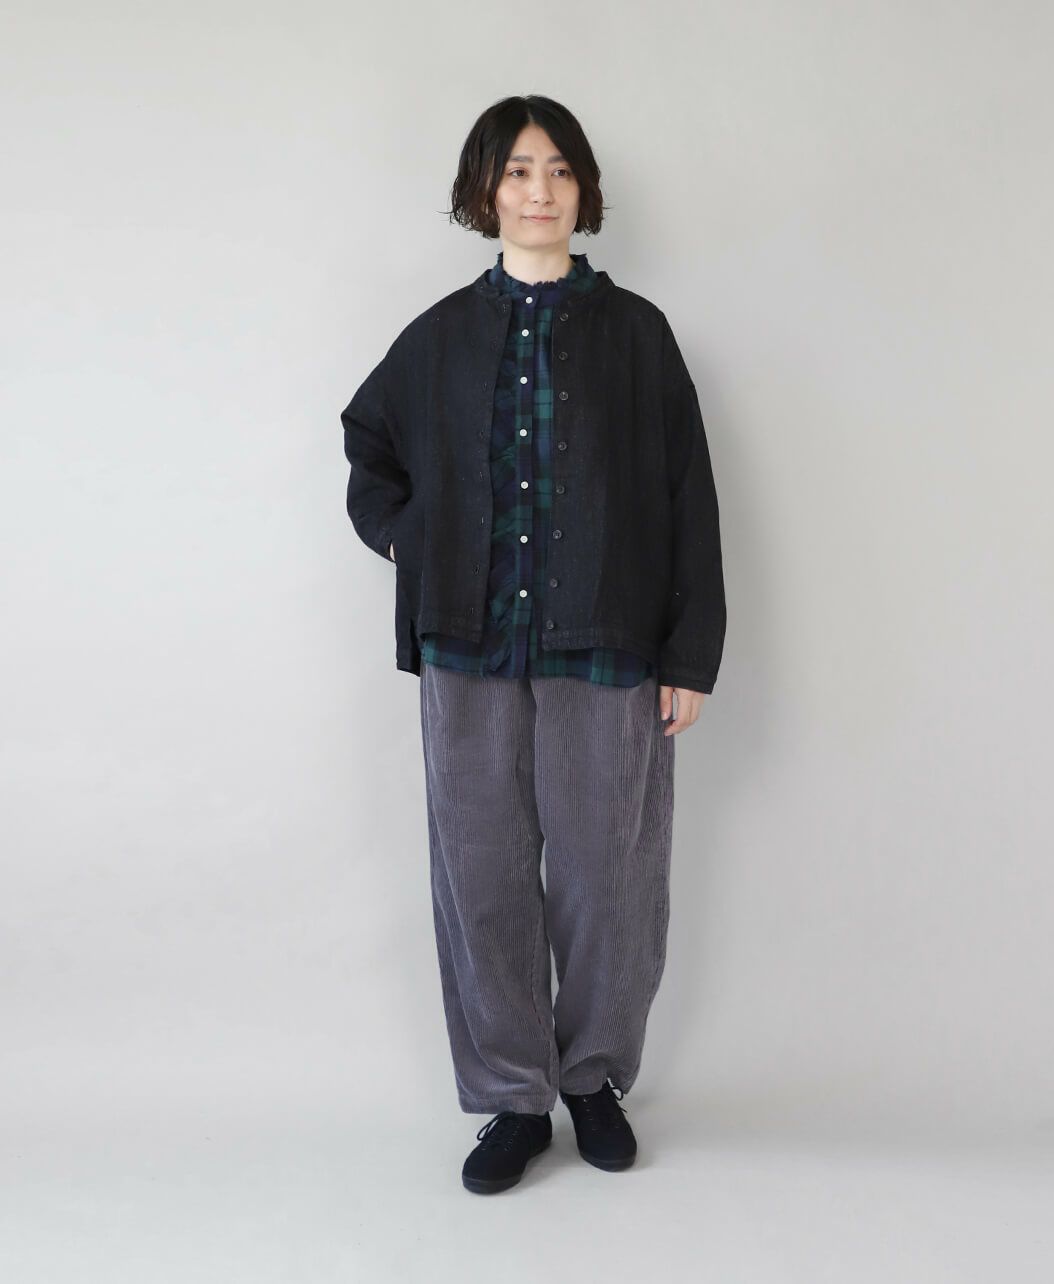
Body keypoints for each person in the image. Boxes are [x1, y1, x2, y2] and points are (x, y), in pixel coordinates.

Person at [341, 95, 726, 1194]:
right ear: (485, 191)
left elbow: (687, 495)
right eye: (516, 171)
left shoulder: (638, 336)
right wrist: (414, 541)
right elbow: (369, 445)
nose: (539, 190)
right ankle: (513, 1098)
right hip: (467, 649)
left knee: (609, 874)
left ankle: (592, 1078)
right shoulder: (437, 339)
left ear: (583, 189)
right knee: (482, 872)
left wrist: (688, 653)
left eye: (558, 170)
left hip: (608, 645)